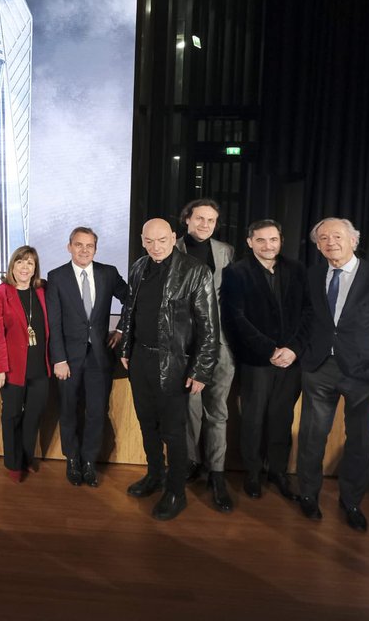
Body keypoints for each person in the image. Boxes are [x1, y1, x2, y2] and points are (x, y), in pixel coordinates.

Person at [297, 217, 369, 532]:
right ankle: (308, 495)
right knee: (311, 437)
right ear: (318, 246)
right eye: (323, 238)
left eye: (337, 236)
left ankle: (351, 502)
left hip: (366, 372)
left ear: (353, 240)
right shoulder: (313, 274)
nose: (331, 242)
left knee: (359, 441)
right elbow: (306, 319)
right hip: (319, 368)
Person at [118, 218, 219, 521]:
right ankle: (155, 475)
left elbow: (209, 328)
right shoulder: (138, 267)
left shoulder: (195, 270)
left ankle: (176, 491)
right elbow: (129, 312)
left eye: (162, 240)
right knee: (147, 425)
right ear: (142, 239)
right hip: (140, 361)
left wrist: (201, 370)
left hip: (174, 365)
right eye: (149, 240)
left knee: (174, 433)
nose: (156, 246)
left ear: (173, 237)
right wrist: (126, 351)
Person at [219, 219, 310, 502]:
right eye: (261, 240)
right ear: (249, 242)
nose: (268, 245)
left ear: (281, 240)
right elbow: (236, 319)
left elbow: (308, 313)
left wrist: (293, 349)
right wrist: (270, 350)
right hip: (257, 360)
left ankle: (278, 472)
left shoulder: (297, 270)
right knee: (253, 420)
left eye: (273, 240)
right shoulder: (236, 272)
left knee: (282, 418)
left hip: (291, 361)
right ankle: (253, 473)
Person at [46, 227, 128, 487]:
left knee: (96, 411)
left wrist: (121, 329)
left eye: (89, 245)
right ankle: (72, 460)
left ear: (96, 248)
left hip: (99, 357)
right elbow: (54, 323)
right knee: (68, 410)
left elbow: (133, 299)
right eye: (78, 245)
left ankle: (90, 461)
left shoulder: (108, 273)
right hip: (68, 358)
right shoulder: (56, 277)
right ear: (69, 246)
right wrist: (58, 359)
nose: (84, 250)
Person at [174, 198, 236, 512]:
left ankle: (217, 472)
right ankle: (190, 462)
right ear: (187, 219)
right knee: (190, 409)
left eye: (211, 220)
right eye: (199, 219)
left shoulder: (226, 252)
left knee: (218, 411)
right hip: (187, 344)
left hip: (221, 345)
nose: (205, 225)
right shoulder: (172, 249)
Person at [0, 246, 53, 482]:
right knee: (12, 416)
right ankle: (13, 463)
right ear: (12, 266)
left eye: (30, 263)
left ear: (35, 268)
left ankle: (26, 457)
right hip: (12, 368)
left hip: (39, 367)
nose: (25, 267)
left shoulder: (42, 292)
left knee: (33, 415)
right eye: (20, 262)